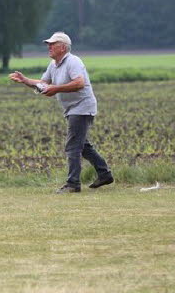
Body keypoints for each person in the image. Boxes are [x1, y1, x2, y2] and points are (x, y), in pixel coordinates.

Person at [9, 31, 113, 193]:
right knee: (83, 146)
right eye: (48, 44)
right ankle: (104, 174)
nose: (49, 47)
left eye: (53, 44)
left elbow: (79, 83)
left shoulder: (73, 61)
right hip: (72, 108)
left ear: (63, 47)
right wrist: (25, 80)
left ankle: (73, 184)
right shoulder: (54, 64)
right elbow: (44, 83)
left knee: (73, 146)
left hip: (82, 107)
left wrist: (55, 89)